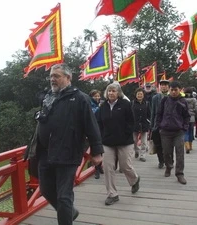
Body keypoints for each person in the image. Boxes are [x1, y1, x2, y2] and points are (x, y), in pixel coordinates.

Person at [35, 63, 104, 225]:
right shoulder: (48, 97)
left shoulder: (80, 98)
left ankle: (66, 216)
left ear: (68, 78)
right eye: (51, 76)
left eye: (56, 76)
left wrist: (97, 151)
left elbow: (91, 125)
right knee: (45, 190)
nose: (52, 79)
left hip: (68, 152)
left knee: (64, 196)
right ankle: (70, 213)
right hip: (46, 153)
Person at [96, 82, 140, 206]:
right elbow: (98, 122)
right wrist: (101, 135)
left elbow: (131, 122)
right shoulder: (103, 107)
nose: (111, 93)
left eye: (113, 91)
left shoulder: (125, 104)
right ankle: (112, 194)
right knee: (107, 167)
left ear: (118, 93)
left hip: (124, 141)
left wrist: (125, 133)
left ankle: (135, 179)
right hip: (107, 142)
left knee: (125, 165)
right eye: (109, 91)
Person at [156, 81, 190, 185]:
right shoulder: (164, 100)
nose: (174, 92)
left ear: (180, 90)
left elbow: (187, 116)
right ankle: (169, 166)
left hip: (178, 132)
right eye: (172, 90)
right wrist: (159, 126)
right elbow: (159, 113)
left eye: (176, 90)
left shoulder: (183, 101)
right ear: (169, 90)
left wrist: (184, 128)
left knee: (180, 153)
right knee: (166, 152)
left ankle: (179, 174)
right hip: (165, 131)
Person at [150, 79, 170, 169]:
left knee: (168, 145)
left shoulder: (172, 97)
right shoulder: (155, 98)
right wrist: (152, 126)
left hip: (169, 125)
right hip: (157, 125)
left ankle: (169, 161)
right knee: (158, 145)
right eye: (162, 85)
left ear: (168, 87)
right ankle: (161, 161)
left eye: (166, 85)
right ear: (160, 86)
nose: (164, 86)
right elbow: (153, 112)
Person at [132, 88, 151, 162]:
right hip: (134, 124)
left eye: (141, 94)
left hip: (144, 124)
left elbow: (149, 114)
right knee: (134, 140)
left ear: (143, 95)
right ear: (136, 95)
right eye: (138, 94)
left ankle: (142, 155)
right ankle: (136, 151)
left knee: (144, 141)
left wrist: (148, 122)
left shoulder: (147, 103)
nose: (139, 95)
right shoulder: (132, 103)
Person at [88, 89, 104, 179]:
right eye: (95, 96)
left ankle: (100, 166)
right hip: (92, 129)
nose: (97, 97)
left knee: (100, 149)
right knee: (94, 150)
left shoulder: (100, 104)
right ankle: (96, 169)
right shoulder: (89, 105)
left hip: (100, 129)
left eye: (98, 96)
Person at [183, 87, 197, 153]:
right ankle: (190, 146)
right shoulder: (194, 100)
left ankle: (187, 146)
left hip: (185, 118)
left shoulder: (183, 100)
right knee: (191, 131)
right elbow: (196, 108)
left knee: (186, 132)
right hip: (192, 118)